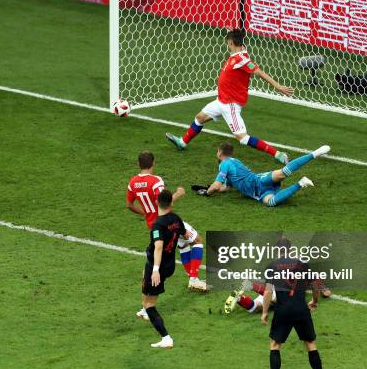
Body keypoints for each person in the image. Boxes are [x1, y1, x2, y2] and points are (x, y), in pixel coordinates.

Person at [166, 28, 293, 165]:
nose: (228, 44)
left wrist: (278, 86)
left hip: (230, 104)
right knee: (199, 118)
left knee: (243, 138)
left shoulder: (242, 59)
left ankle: (278, 154)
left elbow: (258, 71)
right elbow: (241, 46)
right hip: (221, 100)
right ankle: (182, 143)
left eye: (228, 42)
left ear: (231, 42)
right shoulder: (238, 54)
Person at [126, 151, 207, 299]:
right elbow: (164, 202)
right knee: (197, 241)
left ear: (138, 164)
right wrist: (178, 193)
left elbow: (129, 205)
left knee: (182, 244)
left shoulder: (132, 183)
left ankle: (192, 277)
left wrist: (146, 213)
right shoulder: (155, 181)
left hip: (153, 225)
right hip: (167, 221)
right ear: (153, 163)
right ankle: (193, 279)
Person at [261, 238, 328, 369]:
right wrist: (315, 301)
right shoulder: (302, 264)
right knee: (310, 344)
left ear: (278, 250)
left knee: (275, 345)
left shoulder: (272, 266)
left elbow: (268, 292)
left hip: (283, 310)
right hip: (301, 310)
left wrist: (264, 312)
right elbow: (316, 284)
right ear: (291, 250)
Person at [196, 142, 330, 207]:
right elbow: (226, 187)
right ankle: (301, 183)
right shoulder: (233, 161)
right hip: (259, 193)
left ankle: (314, 154)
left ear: (219, 152)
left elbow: (218, 184)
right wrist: (214, 189)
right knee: (271, 202)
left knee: (284, 172)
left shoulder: (224, 164)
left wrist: (208, 192)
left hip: (258, 180)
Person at [141, 190, 185, 349]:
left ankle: (166, 338)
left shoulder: (157, 225)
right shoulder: (176, 219)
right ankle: (144, 309)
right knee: (144, 279)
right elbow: (185, 235)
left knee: (150, 305)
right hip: (170, 265)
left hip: (158, 266)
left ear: (156, 203)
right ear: (171, 203)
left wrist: (155, 270)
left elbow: (158, 248)